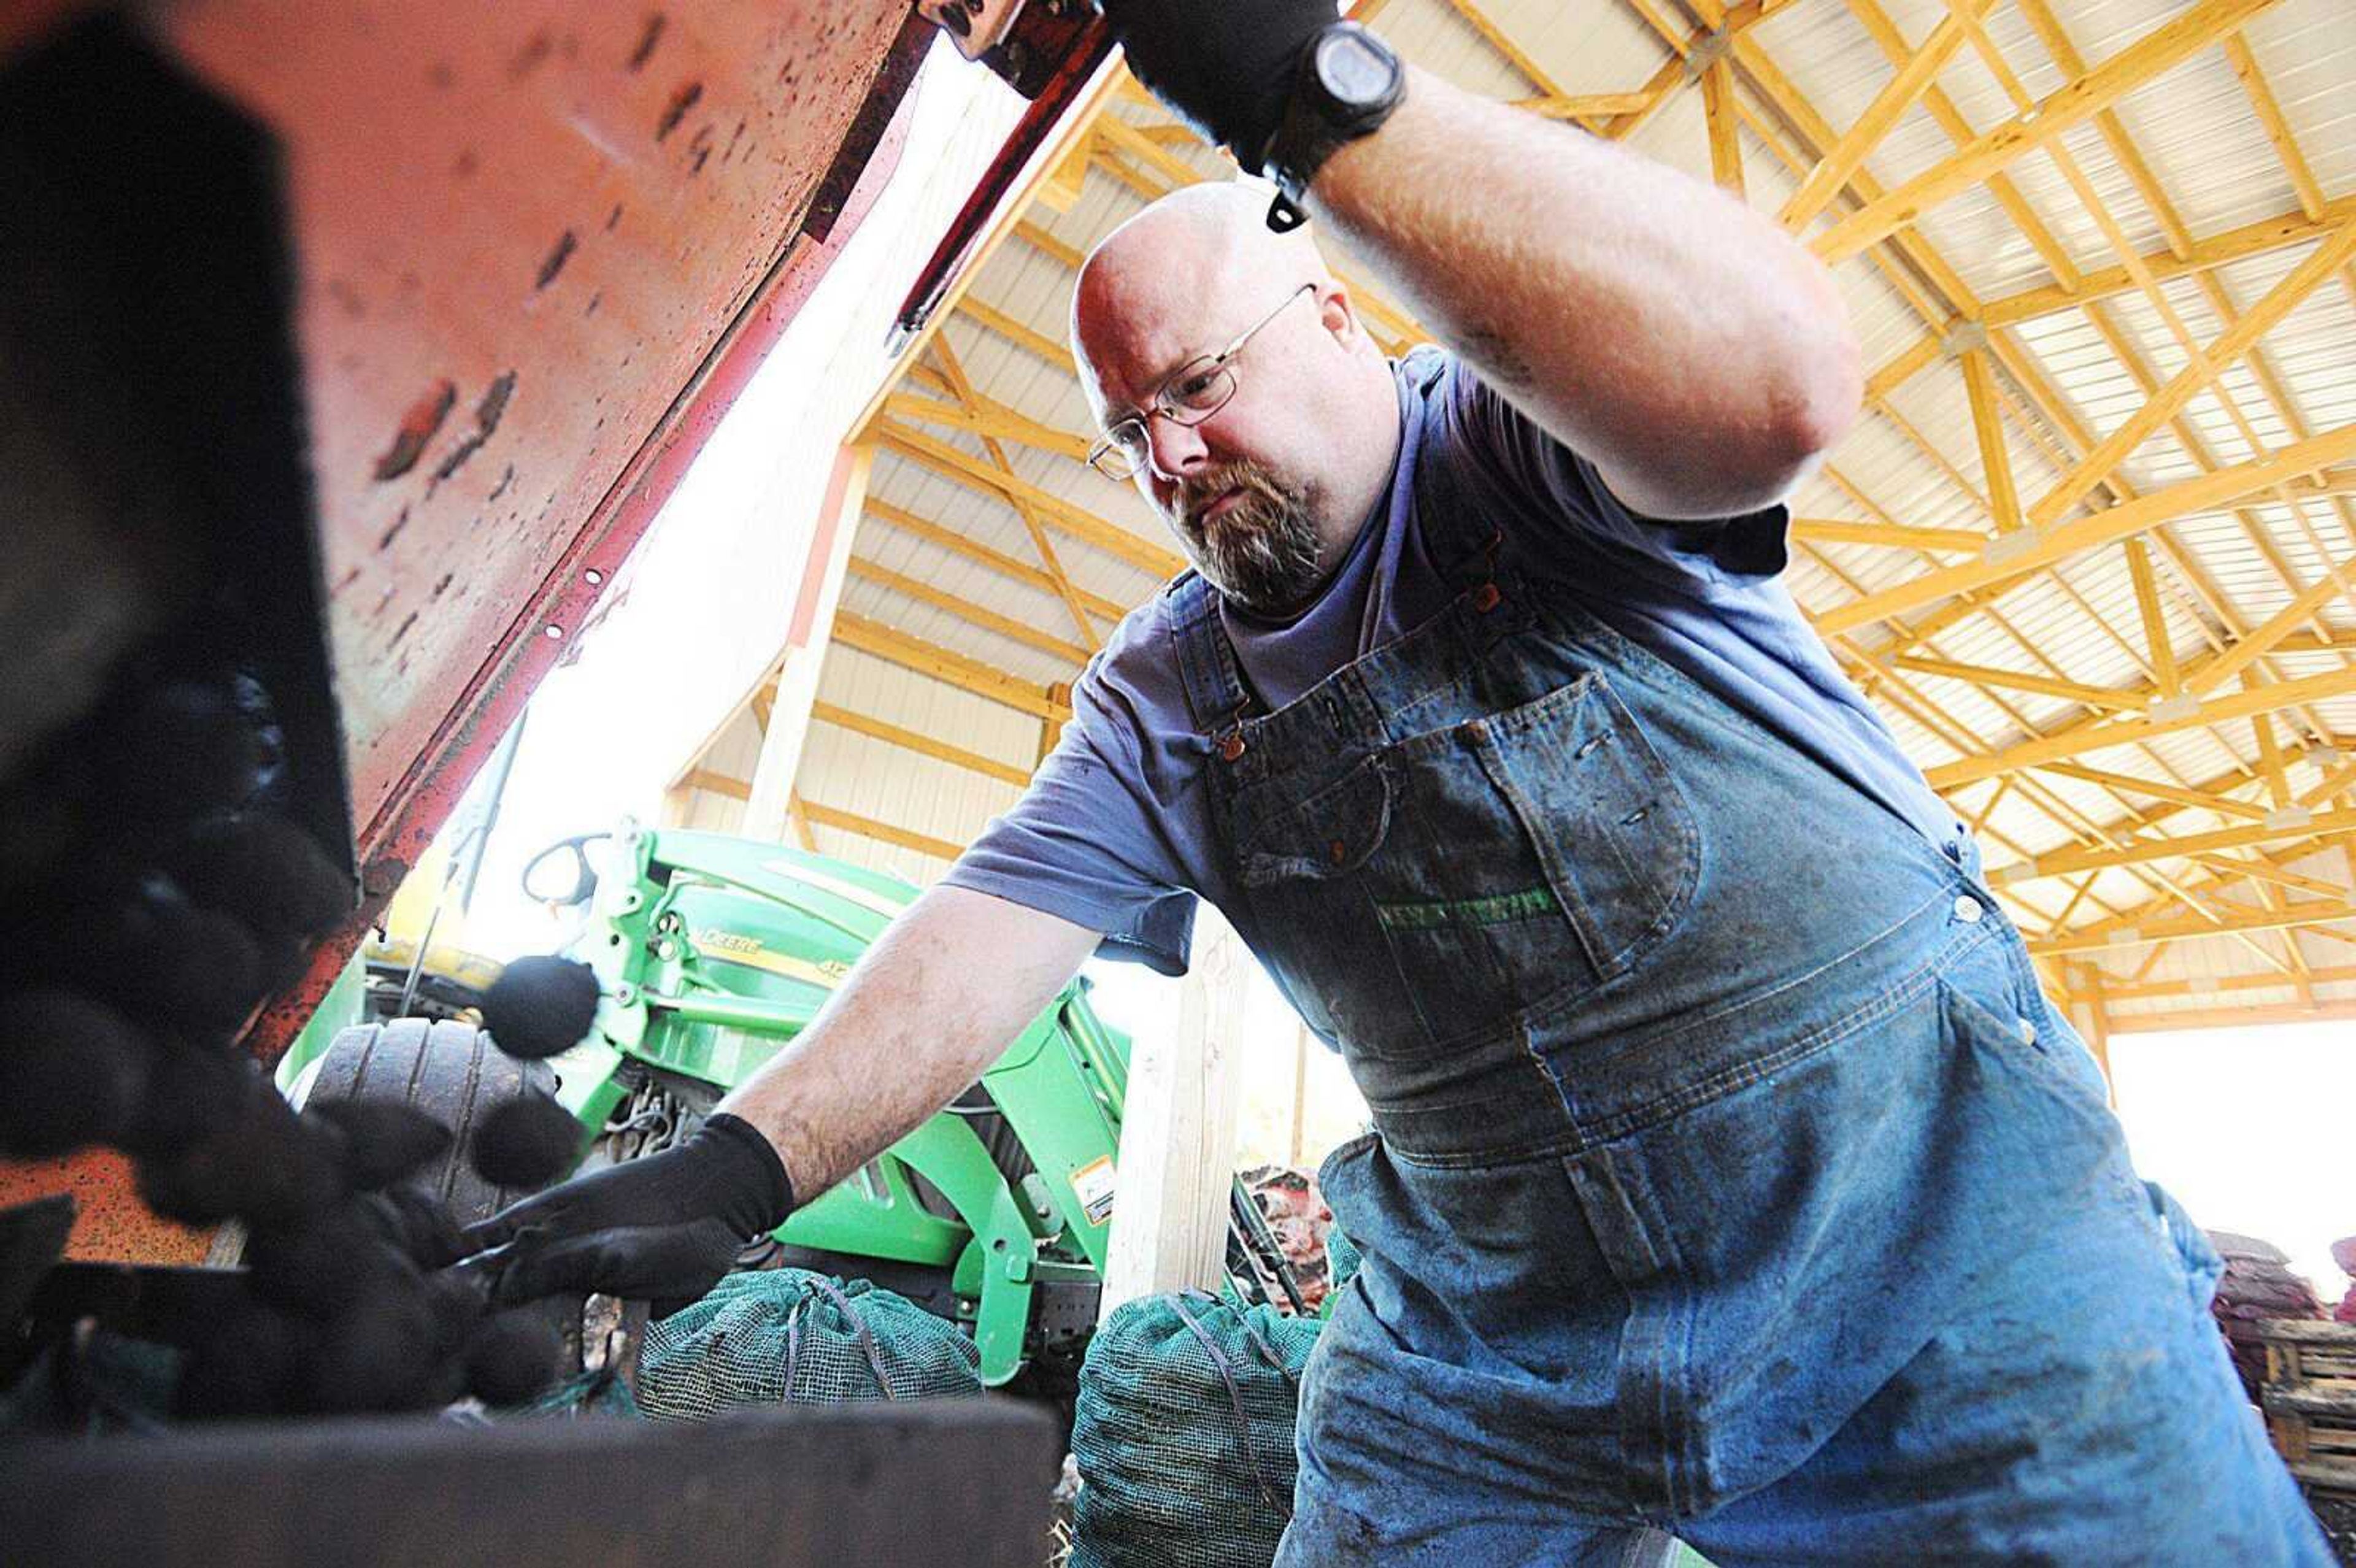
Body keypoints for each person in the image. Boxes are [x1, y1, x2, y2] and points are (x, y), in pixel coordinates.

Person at [463, 2, 2331, 1561]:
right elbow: (985, 932)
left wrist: (1313, 91)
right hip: (1492, 1339)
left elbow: (1777, 383)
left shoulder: (1530, 461)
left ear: (1342, 316)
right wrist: (741, 1157)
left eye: (1196, 382)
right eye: (1129, 434)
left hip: (1934, 1246)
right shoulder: (1166, 695)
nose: (1172, 453)